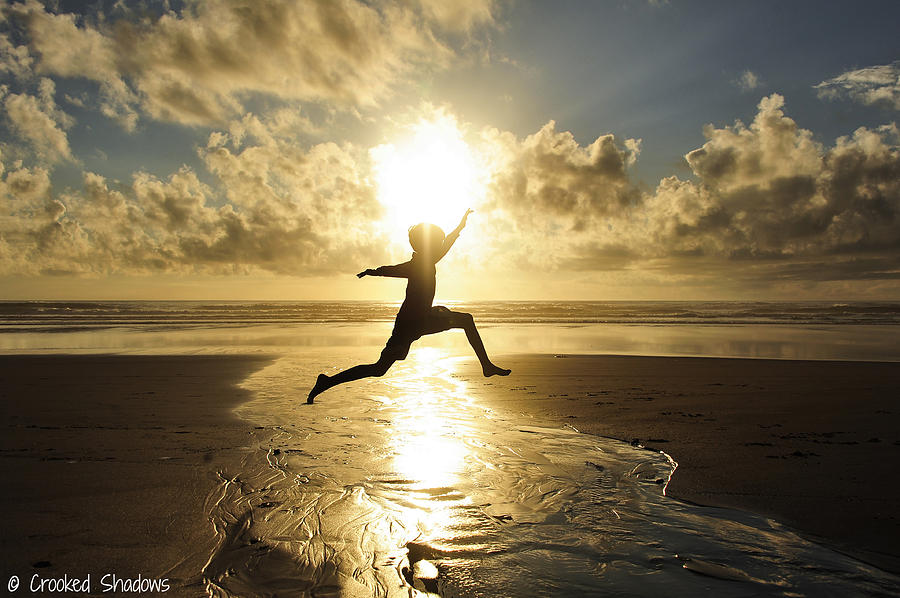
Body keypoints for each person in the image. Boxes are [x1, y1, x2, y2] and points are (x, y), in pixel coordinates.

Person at [307, 209, 510, 403]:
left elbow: (448, 242)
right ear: (425, 244)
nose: (439, 244)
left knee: (466, 319)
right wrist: (374, 271)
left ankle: (486, 366)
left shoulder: (429, 259)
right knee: (379, 369)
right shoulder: (416, 265)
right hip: (409, 324)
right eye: (435, 241)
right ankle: (328, 381)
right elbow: (393, 270)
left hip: (423, 318)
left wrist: (460, 226)